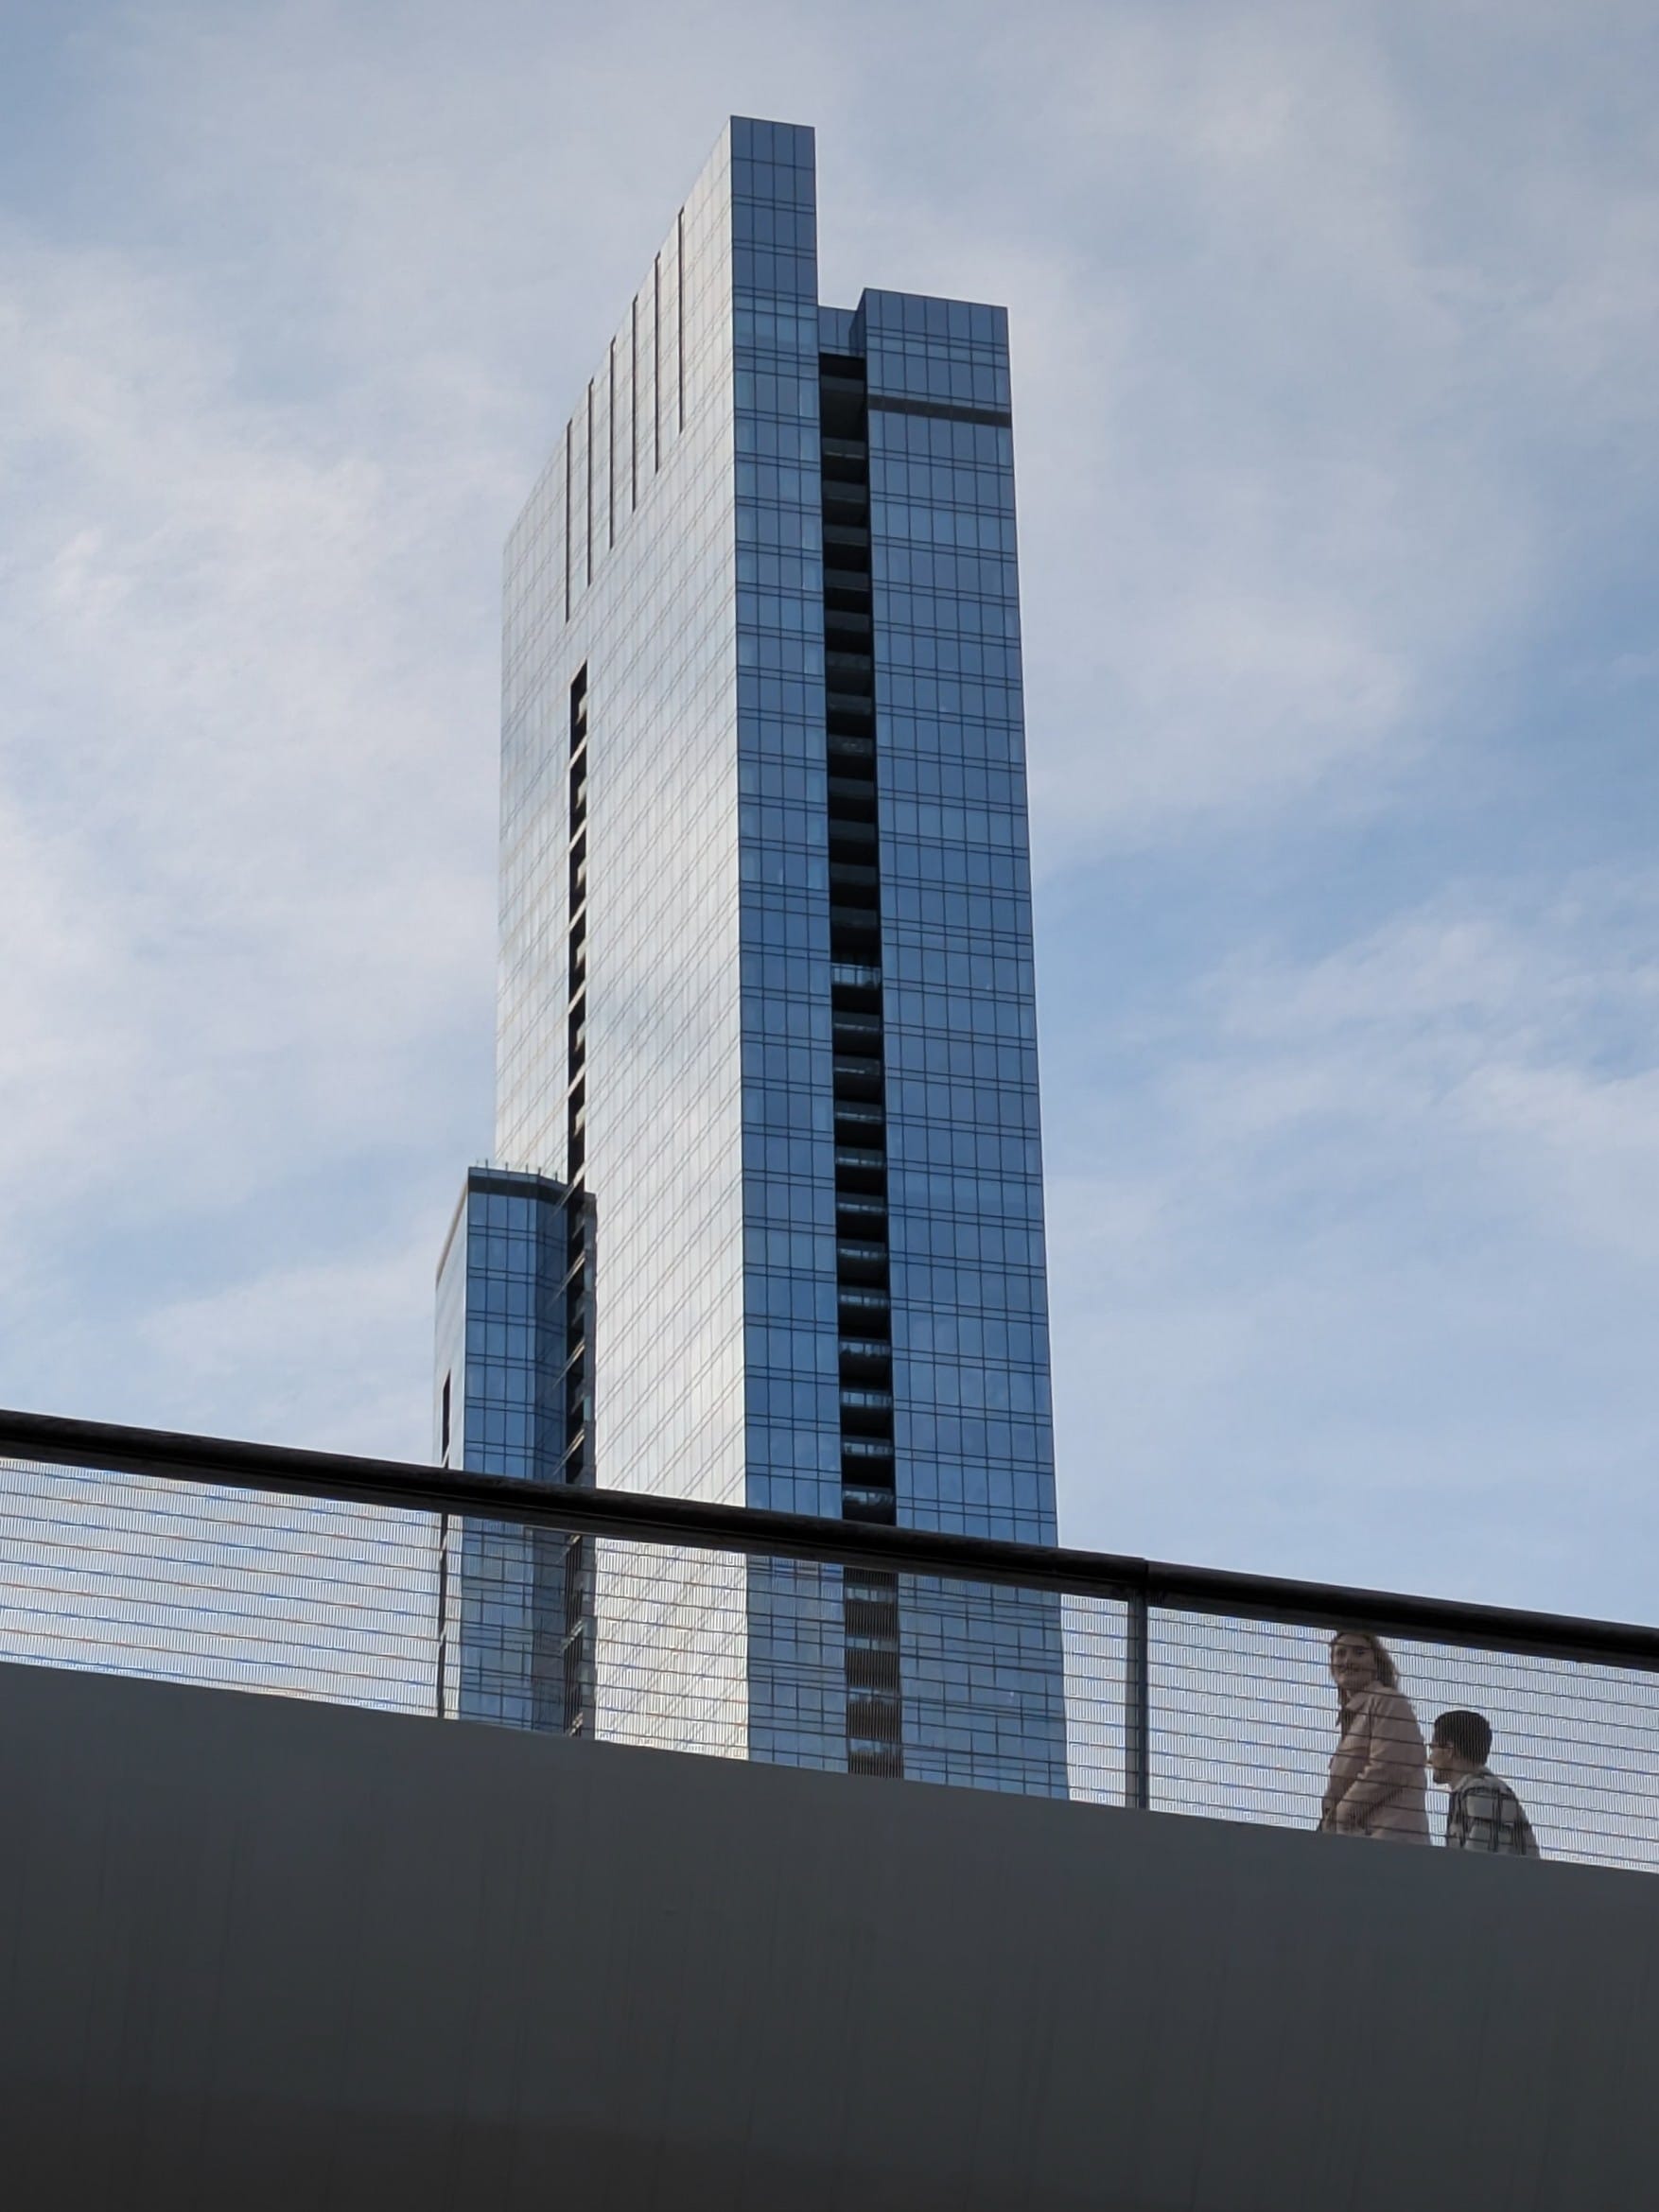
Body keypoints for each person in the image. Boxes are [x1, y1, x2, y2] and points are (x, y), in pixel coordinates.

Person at [1318, 1629, 1430, 1842]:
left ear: (1376, 1663)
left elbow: (1389, 1768)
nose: (1348, 1660)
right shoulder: (1352, 1720)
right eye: (1340, 1653)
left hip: (1389, 1842)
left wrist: (1342, 1816)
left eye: (1359, 1652)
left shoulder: (1387, 1702)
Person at [1428, 1710, 1542, 1856]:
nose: (1430, 1759)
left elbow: (1479, 1863)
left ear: (1449, 1750)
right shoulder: (1474, 1792)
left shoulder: (1483, 1791)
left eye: (1433, 1747)